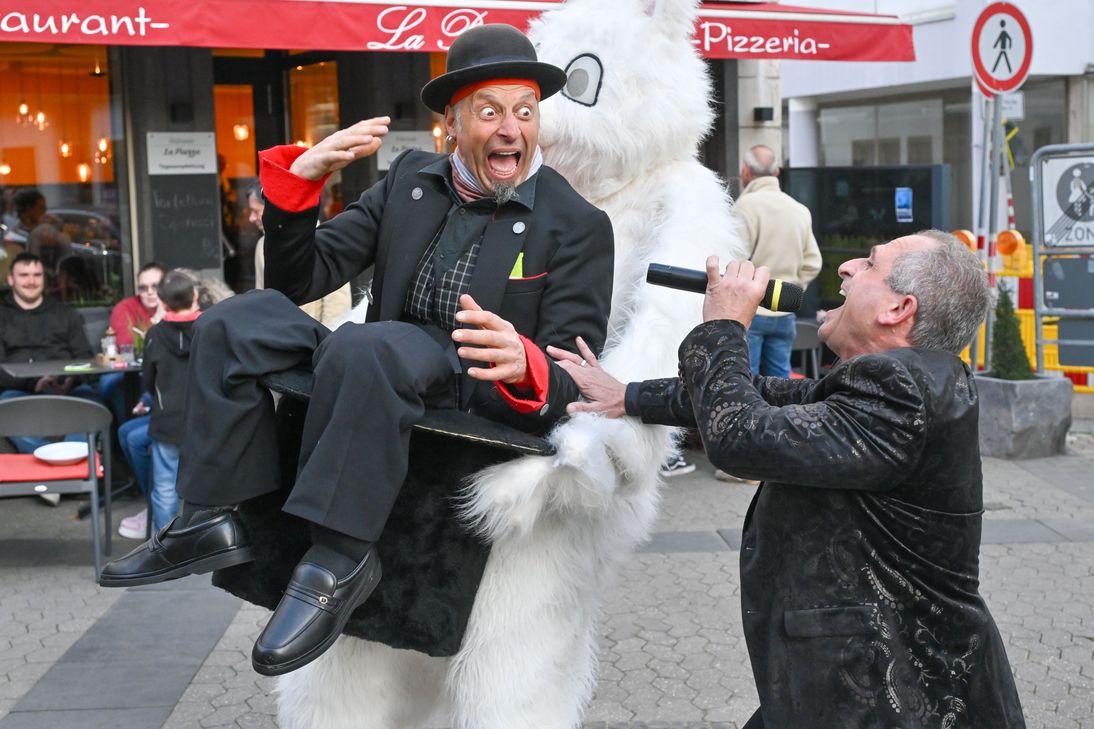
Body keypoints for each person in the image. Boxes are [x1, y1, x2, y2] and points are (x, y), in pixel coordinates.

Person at [99, 24, 614, 679]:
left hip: (467, 391)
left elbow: (578, 376)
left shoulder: (574, 224)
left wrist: (529, 361)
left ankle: (338, 560)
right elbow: (300, 280)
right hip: (376, 367)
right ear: (452, 125)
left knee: (369, 343)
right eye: (490, 111)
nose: (511, 128)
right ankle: (209, 515)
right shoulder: (409, 181)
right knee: (236, 319)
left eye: (525, 111)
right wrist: (299, 190)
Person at [552, 230, 1026, 728]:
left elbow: (737, 435)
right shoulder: (906, 381)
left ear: (898, 309)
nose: (846, 269)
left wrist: (724, 326)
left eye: (868, 264)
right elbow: (765, 398)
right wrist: (626, 395)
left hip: (897, 696)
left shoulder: (900, 391)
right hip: (856, 682)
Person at [734, 144, 821, 378]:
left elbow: (735, 260)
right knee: (780, 383)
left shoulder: (745, 207)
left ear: (745, 171)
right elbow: (813, 261)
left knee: (745, 380)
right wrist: (790, 290)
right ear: (777, 172)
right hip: (785, 313)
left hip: (752, 309)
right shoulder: (799, 209)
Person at [0, 252, 97, 453]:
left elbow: (86, 359)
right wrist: (34, 383)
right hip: (18, 393)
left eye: (37, 275)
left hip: (69, 390)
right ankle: (50, 462)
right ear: (11, 279)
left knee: (94, 406)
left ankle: (74, 466)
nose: (31, 281)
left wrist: (71, 379)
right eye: (24, 275)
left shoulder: (66, 314)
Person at [139, 270, 202, 534]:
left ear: (164, 303)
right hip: (206, 419)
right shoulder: (210, 327)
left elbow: (147, 381)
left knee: (165, 486)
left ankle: (164, 544)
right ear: (196, 295)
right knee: (206, 484)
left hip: (167, 422)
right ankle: (205, 539)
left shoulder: (154, 334)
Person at [249, 182, 351, 327]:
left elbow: (337, 303)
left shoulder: (320, 236)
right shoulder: (261, 245)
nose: (251, 218)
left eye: (255, 211)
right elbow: (261, 297)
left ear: (271, 208)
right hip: (278, 335)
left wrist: (326, 341)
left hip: (312, 337)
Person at [109, 262, 166, 348]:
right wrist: (156, 319)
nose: (149, 292)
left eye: (155, 286)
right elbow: (126, 345)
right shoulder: (124, 308)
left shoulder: (175, 304)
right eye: (143, 288)